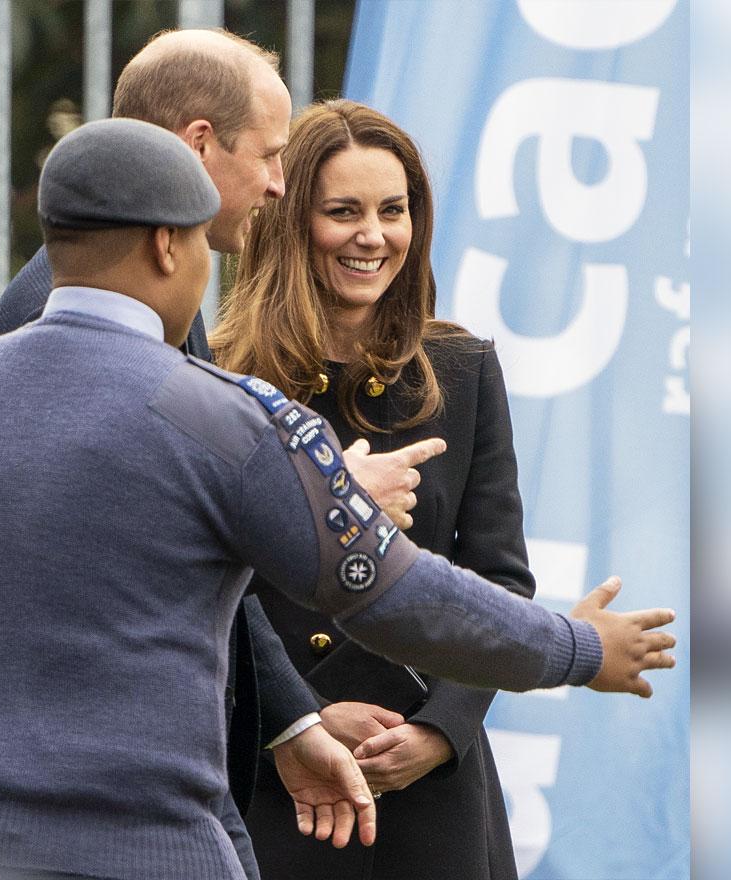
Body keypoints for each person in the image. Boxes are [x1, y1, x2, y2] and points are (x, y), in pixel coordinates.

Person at [0, 118, 676, 880]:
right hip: (145, 842)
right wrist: (580, 648)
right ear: (169, 244)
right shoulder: (217, 414)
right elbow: (399, 590)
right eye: (204, 240)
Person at [0, 28, 444, 875]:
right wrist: (325, 496)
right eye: (270, 156)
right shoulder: (60, 314)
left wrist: (291, 725)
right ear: (197, 146)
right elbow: (137, 554)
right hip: (108, 804)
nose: (275, 182)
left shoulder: (153, 296)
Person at [210, 100, 586, 878]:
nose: (373, 236)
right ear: (288, 223)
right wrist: (298, 717)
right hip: (277, 789)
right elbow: (212, 586)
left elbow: (501, 579)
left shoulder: (464, 368)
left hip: (432, 806)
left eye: (393, 210)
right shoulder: (220, 378)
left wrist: (439, 732)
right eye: (342, 212)